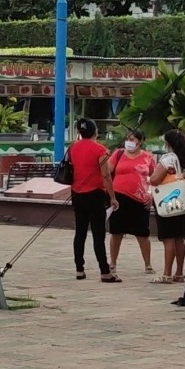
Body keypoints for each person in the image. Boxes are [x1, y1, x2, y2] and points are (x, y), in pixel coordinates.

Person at [67, 118, 121, 282]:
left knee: (80, 232)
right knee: (98, 235)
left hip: (77, 193)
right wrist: (113, 197)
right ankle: (104, 271)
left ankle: (79, 269)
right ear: (95, 132)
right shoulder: (100, 150)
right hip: (95, 194)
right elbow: (105, 175)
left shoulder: (72, 148)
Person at [108, 129, 157, 275]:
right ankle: (113, 263)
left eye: (133, 139)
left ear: (140, 141)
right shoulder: (118, 154)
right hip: (119, 197)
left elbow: (155, 178)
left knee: (142, 233)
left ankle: (147, 264)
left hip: (140, 198)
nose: (130, 141)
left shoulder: (148, 157)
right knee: (116, 232)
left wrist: (152, 195)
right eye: (128, 138)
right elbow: (106, 171)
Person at [149, 128, 185, 284]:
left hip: (166, 202)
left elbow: (154, 179)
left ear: (168, 143)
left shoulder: (168, 159)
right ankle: (179, 273)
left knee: (168, 238)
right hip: (181, 202)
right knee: (179, 238)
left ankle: (166, 274)